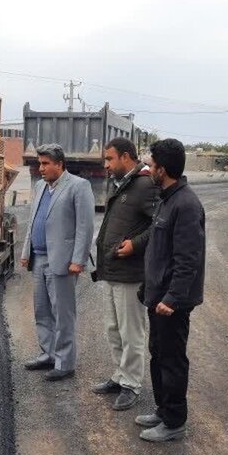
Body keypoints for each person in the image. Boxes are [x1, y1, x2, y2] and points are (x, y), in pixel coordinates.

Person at [136, 138, 205, 442]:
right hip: (158, 295)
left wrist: (173, 299)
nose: (148, 168)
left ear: (162, 170)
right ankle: (163, 410)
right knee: (157, 354)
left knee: (173, 360)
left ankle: (175, 422)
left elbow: (188, 260)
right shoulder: (167, 198)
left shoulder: (186, 205)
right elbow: (158, 251)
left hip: (171, 302)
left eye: (151, 164)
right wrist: (148, 289)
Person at [91, 137, 158, 411]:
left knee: (132, 333)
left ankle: (131, 384)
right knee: (113, 329)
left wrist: (135, 245)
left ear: (127, 158)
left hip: (130, 274)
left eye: (110, 159)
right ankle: (119, 376)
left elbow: (160, 225)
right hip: (111, 271)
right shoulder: (125, 184)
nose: (106, 165)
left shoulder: (145, 185)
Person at [19, 144, 95, 381]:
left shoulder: (78, 186)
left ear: (60, 164)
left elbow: (85, 226)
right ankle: (48, 353)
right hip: (39, 257)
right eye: (39, 163)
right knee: (42, 310)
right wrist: (25, 251)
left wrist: (78, 260)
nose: (41, 168)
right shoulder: (41, 186)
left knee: (63, 314)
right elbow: (33, 221)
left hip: (62, 261)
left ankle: (65, 363)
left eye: (45, 164)